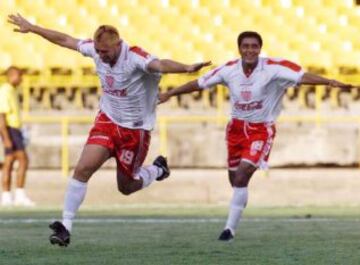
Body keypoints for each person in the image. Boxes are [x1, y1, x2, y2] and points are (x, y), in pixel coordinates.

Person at [8, 13, 211, 247]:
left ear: (118, 44)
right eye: (98, 51)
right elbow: (66, 40)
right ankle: (66, 226)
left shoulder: (135, 56)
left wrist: (186, 68)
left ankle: (157, 170)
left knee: (126, 187)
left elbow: (160, 64)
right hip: (108, 121)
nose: (100, 56)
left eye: (105, 51)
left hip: (135, 130)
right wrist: (33, 28)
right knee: (83, 168)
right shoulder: (96, 50)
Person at [158, 31, 353, 241]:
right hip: (235, 129)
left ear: (260, 49)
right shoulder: (229, 70)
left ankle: (229, 231)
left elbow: (301, 76)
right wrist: (170, 93)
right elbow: (199, 83)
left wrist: (329, 82)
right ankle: (238, 207)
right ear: (239, 48)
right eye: (246, 46)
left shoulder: (273, 68)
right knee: (235, 181)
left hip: (261, 129)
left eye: (254, 46)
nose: (250, 50)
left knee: (241, 176)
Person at [0, 66, 34, 207]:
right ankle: (18, 195)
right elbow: (1, 116)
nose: (21, 79)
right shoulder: (5, 91)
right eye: (19, 76)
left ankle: (7, 196)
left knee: (9, 162)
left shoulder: (13, 91)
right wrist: (7, 138)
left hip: (15, 130)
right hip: (10, 130)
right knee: (23, 160)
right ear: (12, 75)